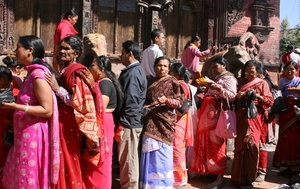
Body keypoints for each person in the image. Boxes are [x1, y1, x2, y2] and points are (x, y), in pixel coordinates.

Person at [1, 35, 59, 189]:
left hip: (33, 135)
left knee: (29, 174)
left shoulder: (38, 76)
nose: (15, 51)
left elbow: (47, 110)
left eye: (18, 47)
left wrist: (16, 107)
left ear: (29, 50)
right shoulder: (31, 74)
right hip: (24, 133)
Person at [45, 35, 101, 189]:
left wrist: (57, 89)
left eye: (66, 49)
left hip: (70, 121)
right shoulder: (66, 70)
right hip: (63, 119)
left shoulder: (77, 72)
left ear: (76, 53)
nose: (62, 51)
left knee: (69, 157)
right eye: (61, 48)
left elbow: (79, 103)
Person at [191, 56, 237, 189]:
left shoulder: (229, 78)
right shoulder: (217, 78)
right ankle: (208, 171)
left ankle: (219, 177)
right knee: (206, 143)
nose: (213, 69)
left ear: (224, 65)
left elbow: (232, 96)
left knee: (217, 146)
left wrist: (216, 87)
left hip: (217, 118)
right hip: (207, 117)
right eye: (212, 67)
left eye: (215, 67)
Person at [139, 56, 183, 189]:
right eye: (159, 65)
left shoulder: (173, 82)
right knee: (149, 152)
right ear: (154, 67)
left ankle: (162, 185)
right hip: (150, 121)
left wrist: (167, 101)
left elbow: (180, 102)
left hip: (165, 123)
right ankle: (149, 185)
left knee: (163, 154)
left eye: (165, 66)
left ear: (169, 68)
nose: (162, 68)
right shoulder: (149, 81)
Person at [81, 55, 124, 189]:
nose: (90, 68)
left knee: (100, 160)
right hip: (103, 121)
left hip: (102, 123)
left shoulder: (104, 83)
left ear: (101, 69)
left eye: (93, 65)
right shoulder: (104, 82)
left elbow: (100, 107)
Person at [231, 60, 273, 188]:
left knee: (251, 145)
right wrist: (238, 96)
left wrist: (258, 97)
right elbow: (233, 98)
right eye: (247, 71)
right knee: (239, 145)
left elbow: (269, 101)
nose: (249, 74)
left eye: (252, 71)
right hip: (240, 116)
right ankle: (237, 178)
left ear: (258, 72)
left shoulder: (262, 83)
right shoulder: (240, 82)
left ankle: (249, 179)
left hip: (255, 117)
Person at [114, 40, 147, 189]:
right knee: (128, 158)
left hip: (130, 122)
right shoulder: (134, 71)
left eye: (122, 53)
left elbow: (131, 101)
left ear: (130, 54)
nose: (120, 56)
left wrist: (124, 121)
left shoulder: (133, 74)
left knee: (129, 159)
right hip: (131, 120)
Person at [273, 61, 300, 183]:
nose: (289, 72)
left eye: (292, 69)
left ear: (296, 70)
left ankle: (296, 168)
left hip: (295, 111)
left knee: (294, 138)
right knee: (284, 137)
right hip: (285, 111)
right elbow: (279, 94)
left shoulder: (299, 80)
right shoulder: (282, 81)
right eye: (287, 69)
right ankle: (288, 166)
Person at [169, 62, 194, 188]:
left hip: (179, 119)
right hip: (182, 119)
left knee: (177, 149)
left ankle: (178, 179)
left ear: (177, 74)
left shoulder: (180, 86)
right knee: (179, 148)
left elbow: (179, 103)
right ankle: (180, 177)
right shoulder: (186, 85)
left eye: (171, 72)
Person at [255, 63, 276, 182]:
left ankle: (262, 170)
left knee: (262, 144)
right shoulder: (247, 82)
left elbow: (269, 101)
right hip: (251, 118)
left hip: (262, 118)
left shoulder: (264, 83)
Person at [0, 66, 20, 189]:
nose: (2, 88)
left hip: (10, 132)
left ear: (11, 82)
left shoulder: (18, 94)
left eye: (5, 84)